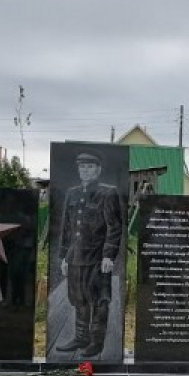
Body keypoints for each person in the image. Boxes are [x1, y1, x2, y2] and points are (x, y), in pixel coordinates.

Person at [56, 150, 124, 359]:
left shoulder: (107, 192)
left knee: (99, 300)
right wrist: (65, 258)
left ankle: (96, 342)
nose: (85, 171)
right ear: (78, 169)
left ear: (98, 170)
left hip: (97, 258)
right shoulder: (73, 193)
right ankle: (80, 337)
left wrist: (108, 256)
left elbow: (114, 226)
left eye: (90, 167)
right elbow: (67, 228)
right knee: (79, 299)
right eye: (82, 167)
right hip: (76, 257)